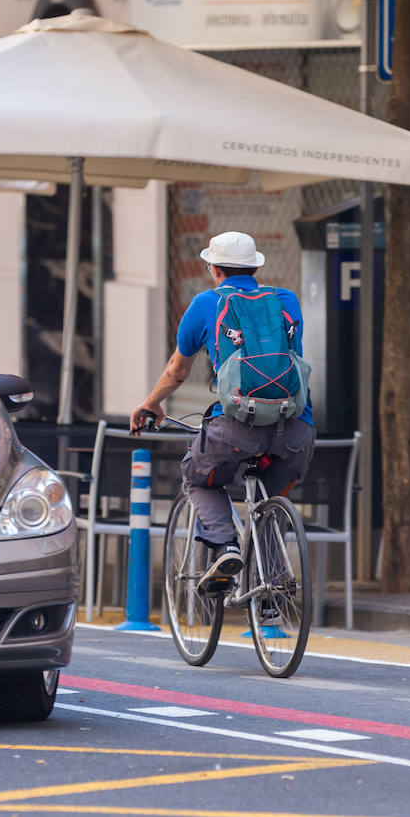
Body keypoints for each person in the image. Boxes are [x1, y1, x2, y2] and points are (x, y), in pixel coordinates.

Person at [130, 231, 316, 595]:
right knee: (268, 502)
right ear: (256, 267)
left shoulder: (205, 304)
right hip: (297, 431)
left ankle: (225, 546)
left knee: (198, 476)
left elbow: (177, 371)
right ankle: (272, 585)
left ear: (213, 268)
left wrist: (151, 403)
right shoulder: (287, 300)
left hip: (236, 428)